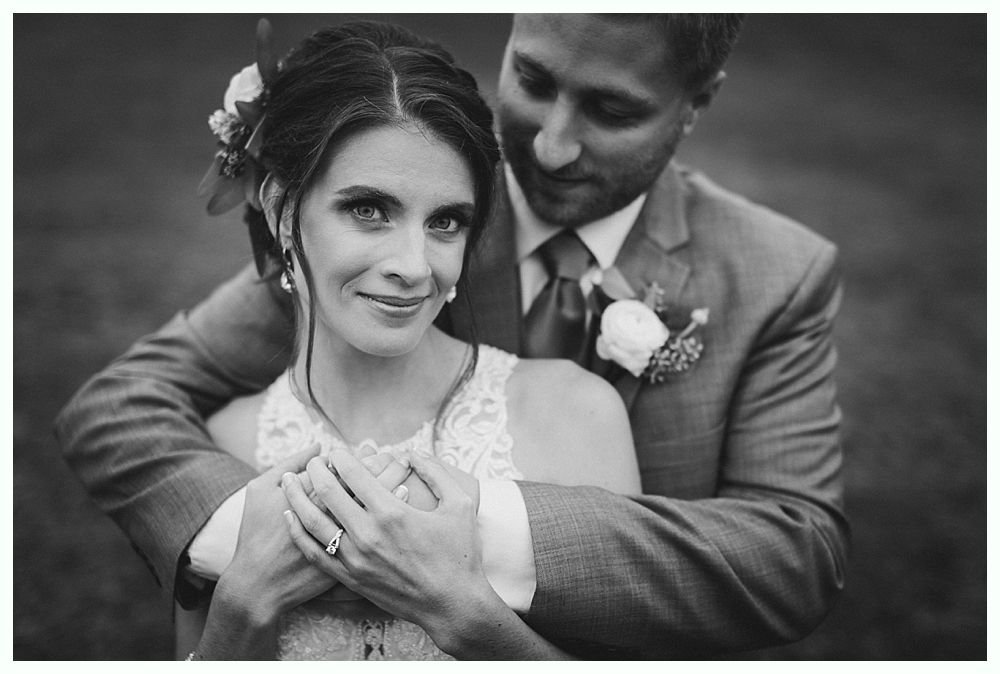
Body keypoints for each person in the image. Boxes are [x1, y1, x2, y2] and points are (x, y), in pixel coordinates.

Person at [57, 14, 849, 659]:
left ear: (695, 102)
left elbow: (796, 555)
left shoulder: (779, 274)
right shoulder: (407, 182)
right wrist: (255, 548)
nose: (549, 147)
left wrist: (451, 555)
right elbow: (121, 406)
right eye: (534, 82)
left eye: (611, 110)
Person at [161, 20, 639, 660]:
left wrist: (460, 612)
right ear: (280, 209)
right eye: (369, 210)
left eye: (445, 221)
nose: (415, 265)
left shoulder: (576, 417)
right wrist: (244, 603)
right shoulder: (222, 449)